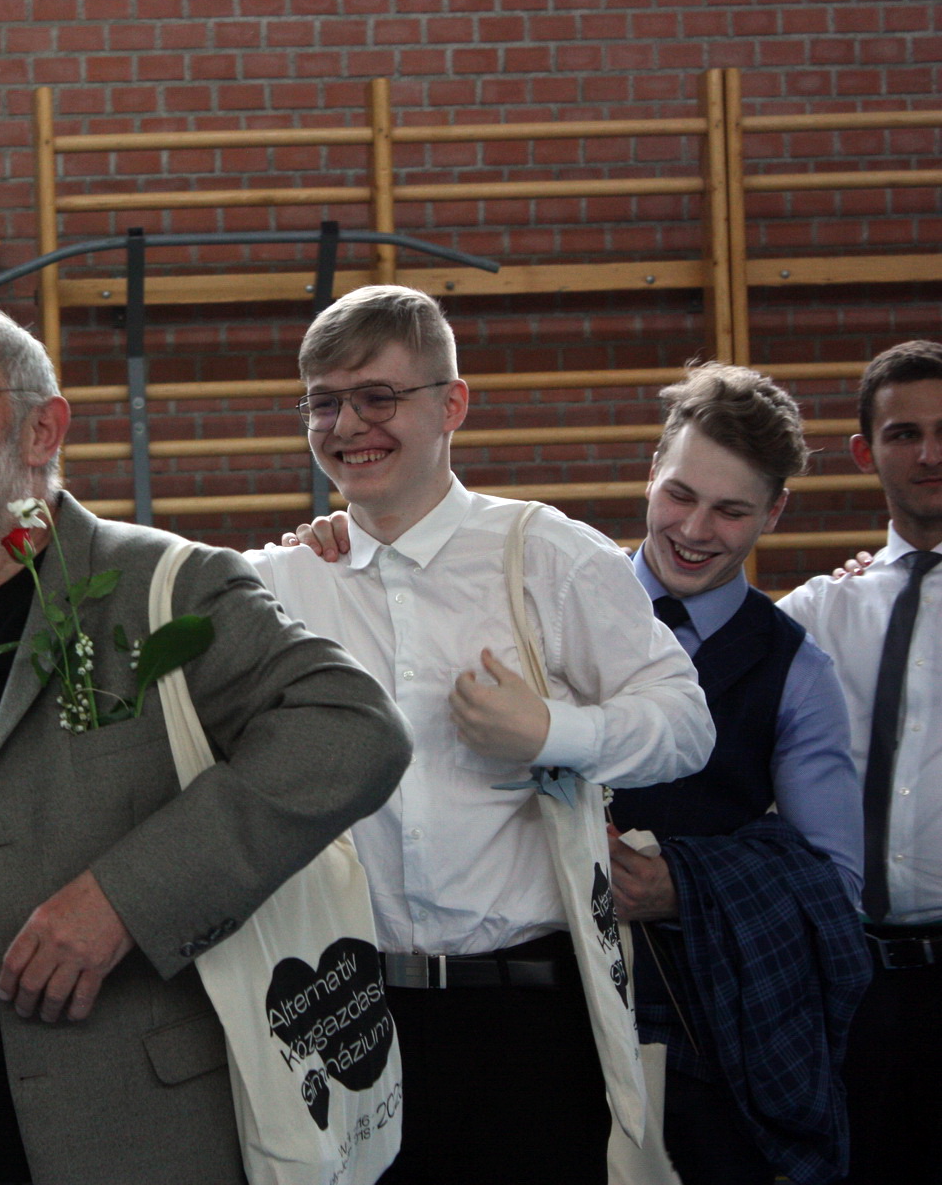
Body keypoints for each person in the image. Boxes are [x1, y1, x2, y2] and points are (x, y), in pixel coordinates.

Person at [0, 298, 412, 1185]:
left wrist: (124, 900)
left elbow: (353, 729)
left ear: (42, 430)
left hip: (118, 1135)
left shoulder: (166, 587)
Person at [248, 284, 714, 1185]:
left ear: (451, 404)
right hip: (348, 1018)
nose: (348, 425)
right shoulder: (283, 583)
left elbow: (686, 722)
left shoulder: (545, 552)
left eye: (378, 396)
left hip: (527, 1020)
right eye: (324, 402)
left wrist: (557, 730)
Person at [605, 364, 866, 1185]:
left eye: (731, 510)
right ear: (652, 470)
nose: (694, 529)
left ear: (774, 512)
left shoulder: (798, 670)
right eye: (680, 494)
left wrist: (686, 886)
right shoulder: (556, 603)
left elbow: (836, 888)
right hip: (538, 1004)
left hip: (704, 1033)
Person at [778, 339, 942, 1185]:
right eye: (904, 434)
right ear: (864, 452)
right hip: (853, 982)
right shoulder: (817, 614)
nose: (930, 454)